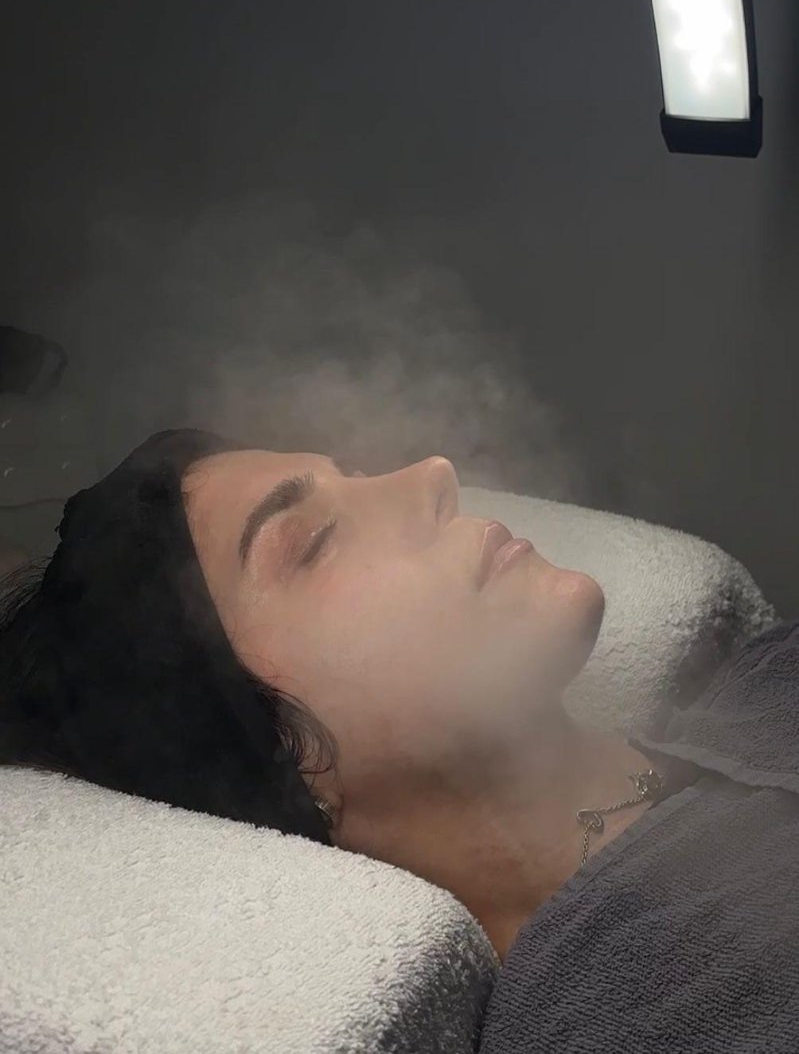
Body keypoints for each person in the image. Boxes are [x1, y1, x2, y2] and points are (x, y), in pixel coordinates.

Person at [1, 428, 797, 1052]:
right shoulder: (638, 1019)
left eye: (355, 472)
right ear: (277, 760)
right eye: (314, 540)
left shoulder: (769, 677)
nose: (431, 472)